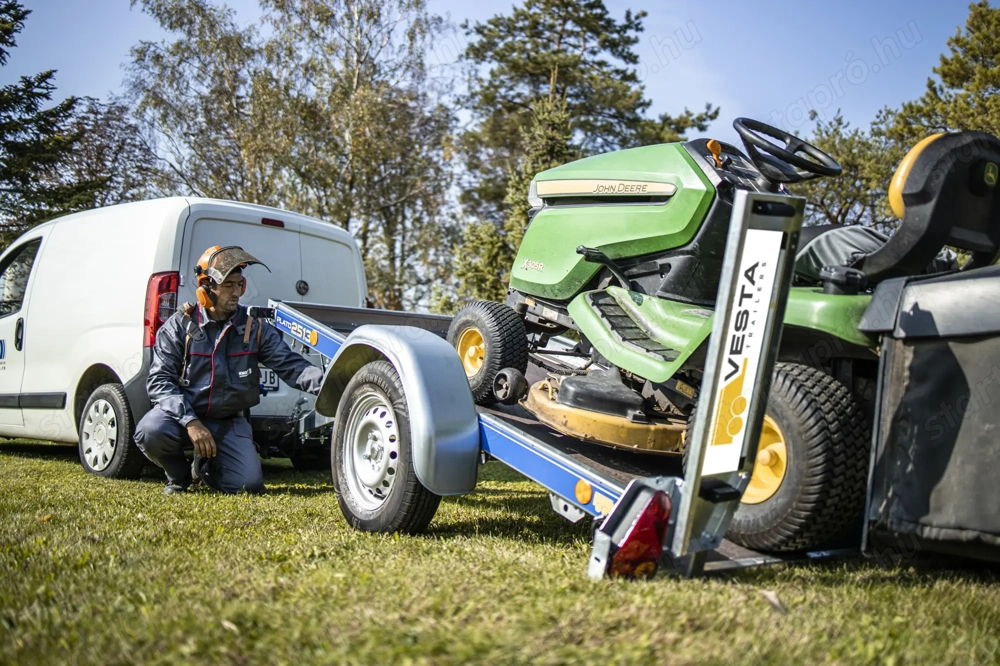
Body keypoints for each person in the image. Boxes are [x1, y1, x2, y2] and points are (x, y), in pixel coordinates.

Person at [134, 245, 323, 495]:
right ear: (205, 288)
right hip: (183, 418)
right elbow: (159, 382)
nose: (236, 293)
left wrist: (333, 387)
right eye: (228, 286)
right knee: (150, 432)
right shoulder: (179, 326)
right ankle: (178, 476)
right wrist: (191, 421)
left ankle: (207, 469)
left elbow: (292, 366)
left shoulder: (253, 327)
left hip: (228, 422)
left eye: (240, 285)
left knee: (249, 486)